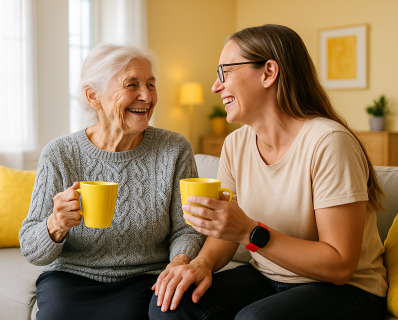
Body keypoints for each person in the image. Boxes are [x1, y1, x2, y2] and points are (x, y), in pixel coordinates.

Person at [149, 24, 387, 320]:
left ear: (268, 73)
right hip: (267, 276)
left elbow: (339, 266)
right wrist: (202, 264)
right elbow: (227, 231)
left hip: (348, 289)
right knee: (171, 305)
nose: (215, 86)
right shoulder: (236, 144)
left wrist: (249, 231)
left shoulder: (329, 142)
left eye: (226, 72)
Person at [19, 43, 206, 320]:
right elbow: (32, 250)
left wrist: (178, 263)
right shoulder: (60, 153)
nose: (146, 96)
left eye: (151, 84)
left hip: (146, 278)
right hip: (71, 278)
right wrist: (55, 225)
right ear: (94, 97)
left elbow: (188, 229)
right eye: (132, 85)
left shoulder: (174, 149)